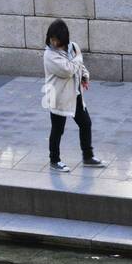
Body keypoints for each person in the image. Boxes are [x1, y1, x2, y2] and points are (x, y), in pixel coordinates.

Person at [42, 20, 104, 172]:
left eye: (56, 39)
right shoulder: (49, 55)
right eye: (51, 38)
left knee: (85, 123)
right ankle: (54, 160)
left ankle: (88, 156)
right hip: (57, 97)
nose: (53, 42)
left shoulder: (73, 47)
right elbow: (68, 70)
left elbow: (79, 67)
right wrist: (78, 58)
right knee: (58, 129)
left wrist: (84, 76)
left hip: (74, 94)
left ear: (63, 38)